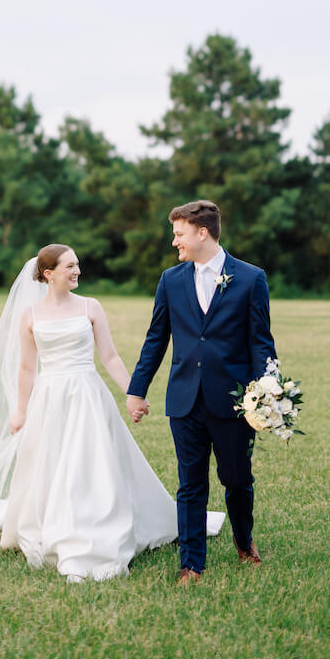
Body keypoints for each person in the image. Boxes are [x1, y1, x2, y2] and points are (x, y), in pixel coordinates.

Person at [0, 243, 224, 582]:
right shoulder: (30, 315)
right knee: (51, 462)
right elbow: (27, 369)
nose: (77, 271)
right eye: (69, 266)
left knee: (90, 462)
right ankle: (52, 524)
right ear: (48, 274)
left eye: (77, 265)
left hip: (87, 395)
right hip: (49, 398)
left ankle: (96, 526)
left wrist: (133, 394)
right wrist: (20, 410)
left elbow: (111, 358)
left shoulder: (91, 306)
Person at [126, 201, 277, 587]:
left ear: (202, 233)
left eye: (178, 233)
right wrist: (137, 389)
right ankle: (191, 564)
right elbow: (156, 338)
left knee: (237, 480)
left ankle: (244, 542)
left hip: (233, 402)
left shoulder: (250, 278)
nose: (173, 240)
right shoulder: (171, 280)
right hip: (184, 401)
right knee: (190, 484)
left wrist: (267, 390)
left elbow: (261, 341)